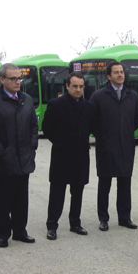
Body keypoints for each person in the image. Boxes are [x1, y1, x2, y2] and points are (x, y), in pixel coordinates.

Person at [0, 63, 38, 248]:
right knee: (2, 200)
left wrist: (32, 147)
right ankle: (3, 233)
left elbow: (33, 126)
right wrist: (0, 152)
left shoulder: (27, 100)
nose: (17, 82)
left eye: (19, 78)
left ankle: (20, 231)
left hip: (24, 159)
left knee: (21, 199)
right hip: (3, 161)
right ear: (2, 80)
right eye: (13, 78)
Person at [89, 61, 138, 231]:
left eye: (121, 72)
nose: (120, 75)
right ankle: (103, 219)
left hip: (126, 146)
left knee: (125, 184)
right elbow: (92, 121)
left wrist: (125, 132)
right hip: (106, 147)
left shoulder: (132, 95)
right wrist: (103, 135)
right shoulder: (98, 96)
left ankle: (124, 217)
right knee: (105, 184)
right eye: (116, 72)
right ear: (108, 76)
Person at [42, 72, 95, 240]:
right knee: (57, 192)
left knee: (78, 191)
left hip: (81, 155)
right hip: (62, 155)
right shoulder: (55, 104)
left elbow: (91, 127)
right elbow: (47, 128)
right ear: (67, 86)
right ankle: (52, 225)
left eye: (81, 86)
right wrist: (60, 141)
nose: (78, 89)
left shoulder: (88, 106)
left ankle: (75, 223)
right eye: (75, 86)